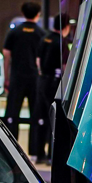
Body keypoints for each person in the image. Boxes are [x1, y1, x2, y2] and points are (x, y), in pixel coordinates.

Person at [3, 2, 43, 156]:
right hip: (34, 79)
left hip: (17, 78)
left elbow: (7, 56)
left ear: (23, 13)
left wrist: (6, 78)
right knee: (35, 114)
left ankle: (11, 149)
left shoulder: (14, 32)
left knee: (12, 114)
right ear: (38, 14)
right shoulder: (41, 33)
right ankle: (35, 151)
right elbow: (41, 60)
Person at [33, 15, 68, 162]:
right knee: (54, 118)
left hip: (42, 81)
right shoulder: (62, 42)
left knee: (42, 117)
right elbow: (65, 66)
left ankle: (39, 153)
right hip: (55, 83)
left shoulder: (44, 39)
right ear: (66, 26)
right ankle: (51, 155)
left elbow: (38, 61)